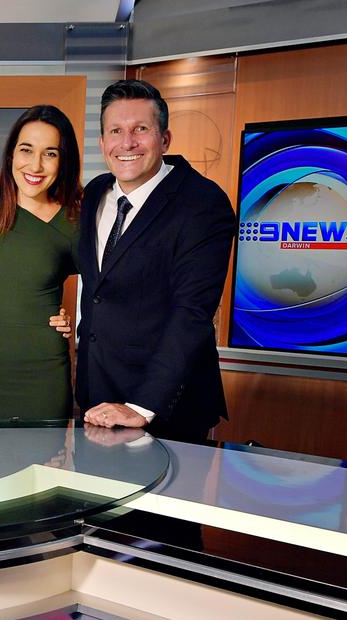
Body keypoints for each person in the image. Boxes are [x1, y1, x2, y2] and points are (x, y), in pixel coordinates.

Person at [76, 80, 236, 442]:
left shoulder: (202, 204)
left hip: (165, 407)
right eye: (116, 131)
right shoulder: (96, 193)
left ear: (165, 139)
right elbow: (101, 288)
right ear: (102, 143)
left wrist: (142, 406)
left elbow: (192, 312)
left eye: (141, 130)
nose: (127, 142)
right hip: (96, 398)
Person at [0, 105, 82, 422]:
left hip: (44, 370)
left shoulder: (74, 221)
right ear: (11, 155)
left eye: (50, 153)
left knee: (44, 467)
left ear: (63, 160)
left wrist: (71, 320)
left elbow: (102, 293)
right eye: (26, 150)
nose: (36, 165)